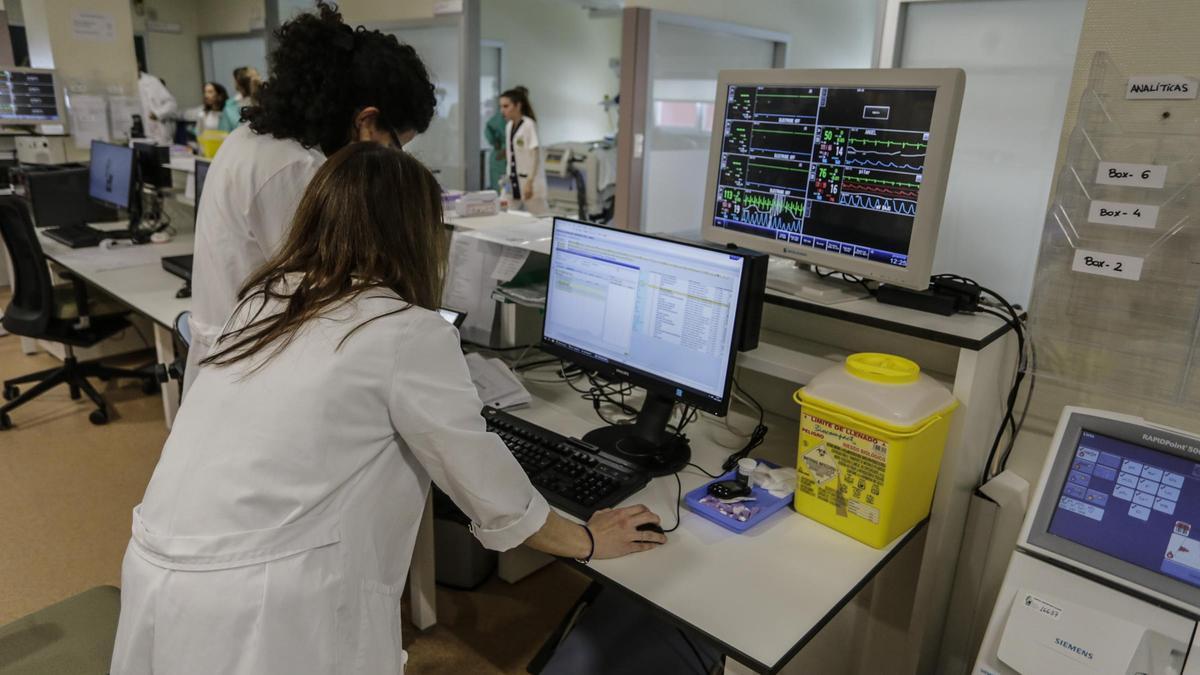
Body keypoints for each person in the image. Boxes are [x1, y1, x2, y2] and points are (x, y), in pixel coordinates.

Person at [110, 143, 666, 674]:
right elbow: (492, 492)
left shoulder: (263, 299)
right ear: (417, 235)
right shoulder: (405, 332)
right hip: (261, 605)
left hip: (156, 571)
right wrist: (589, 539)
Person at [183, 2, 437, 395]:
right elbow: (334, 300)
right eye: (396, 147)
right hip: (251, 372)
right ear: (368, 123)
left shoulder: (253, 140)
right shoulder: (296, 169)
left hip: (237, 357)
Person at [500, 86, 548, 213]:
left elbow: (535, 156)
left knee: (541, 219)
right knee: (504, 212)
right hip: (512, 181)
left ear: (517, 106)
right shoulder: (509, 126)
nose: (502, 110)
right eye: (501, 107)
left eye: (506, 106)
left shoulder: (529, 125)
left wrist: (529, 183)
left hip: (529, 181)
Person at [137, 68, 177, 146]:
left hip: (158, 138)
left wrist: (157, 113)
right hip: (140, 138)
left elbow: (172, 104)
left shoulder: (152, 82)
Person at [483, 101, 506, 190]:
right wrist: (495, 142)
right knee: (499, 190)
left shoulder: (526, 122)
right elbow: (489, 128)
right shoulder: (500, 118)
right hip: (499, 158)